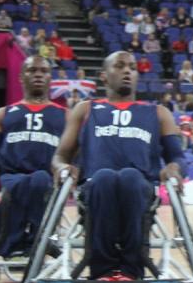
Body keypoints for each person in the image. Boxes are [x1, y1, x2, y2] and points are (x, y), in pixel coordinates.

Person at [52, 51, 184, 281]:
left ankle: (130, 271)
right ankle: (104, 271)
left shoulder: (158, 113)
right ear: (104, 76)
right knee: (104, 177)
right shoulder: (85, 110)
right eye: (120, 66)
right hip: (93, 188)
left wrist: (173, 168)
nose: (127, 71)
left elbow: (178, 157)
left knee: (130, 177)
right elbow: (60, 156)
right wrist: (63, 168)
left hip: (140, 188)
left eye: (132, 68)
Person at [0, 56, 66, 259]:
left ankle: (31, 242)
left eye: (44, 71)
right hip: (12, 175)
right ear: (21, 77)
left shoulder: (65, 115)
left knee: (40, 179)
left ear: (50, 77)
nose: (38, 74)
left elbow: (74, 153)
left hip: (48, 178)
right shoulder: (3, 113)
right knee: (21, 183)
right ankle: (14, 244)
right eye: (32, 70)